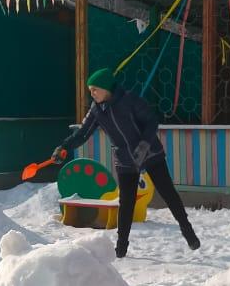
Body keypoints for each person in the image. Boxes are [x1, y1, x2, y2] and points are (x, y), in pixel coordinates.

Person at [53, 68, 200, 259]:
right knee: (126, 203)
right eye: (90, 90)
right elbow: (82, 133)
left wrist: (145, 144)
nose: (92, 93)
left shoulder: (129, 100)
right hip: (124, 158)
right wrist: (64, 147)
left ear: (106, 88)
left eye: (94, 89)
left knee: (167, 192)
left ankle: (187, 230)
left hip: (149, 152)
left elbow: (151, 122)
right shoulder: (96, 110)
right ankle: (121, 247)